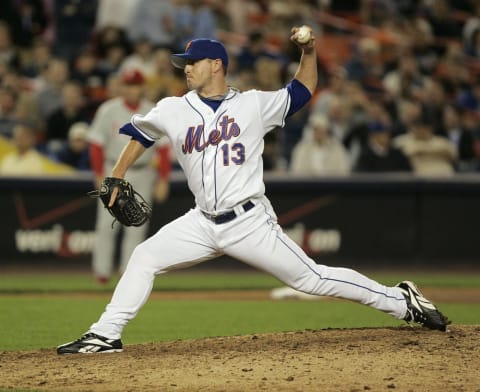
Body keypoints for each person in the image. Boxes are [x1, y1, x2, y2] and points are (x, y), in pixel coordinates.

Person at [57, 27, 449, 355]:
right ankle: (106, 333)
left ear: (216, 65)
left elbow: (303, 89)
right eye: (184, 64)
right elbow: (141, 134)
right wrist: (116, 176)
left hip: (248, 222)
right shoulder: (172, 108)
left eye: (191, 63)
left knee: (310, 279)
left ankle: (402, 301)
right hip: (200, 221)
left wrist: (308, 51)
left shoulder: (253, 105)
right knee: (144, 256)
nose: (185, 69)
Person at [87, 68, 171, 284]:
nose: (132, 89)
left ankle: (128, 273)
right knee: (106, 224)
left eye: (136, 85)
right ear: (122, 87)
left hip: (143, 171)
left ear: (142, 87)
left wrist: (163, 178)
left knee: (137, 225)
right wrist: (98, 173)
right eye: (128, 85)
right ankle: (102, 273)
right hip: (113, 171)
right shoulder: (109, 110)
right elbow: (96, 144)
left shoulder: (152, 110)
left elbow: (163, 148)